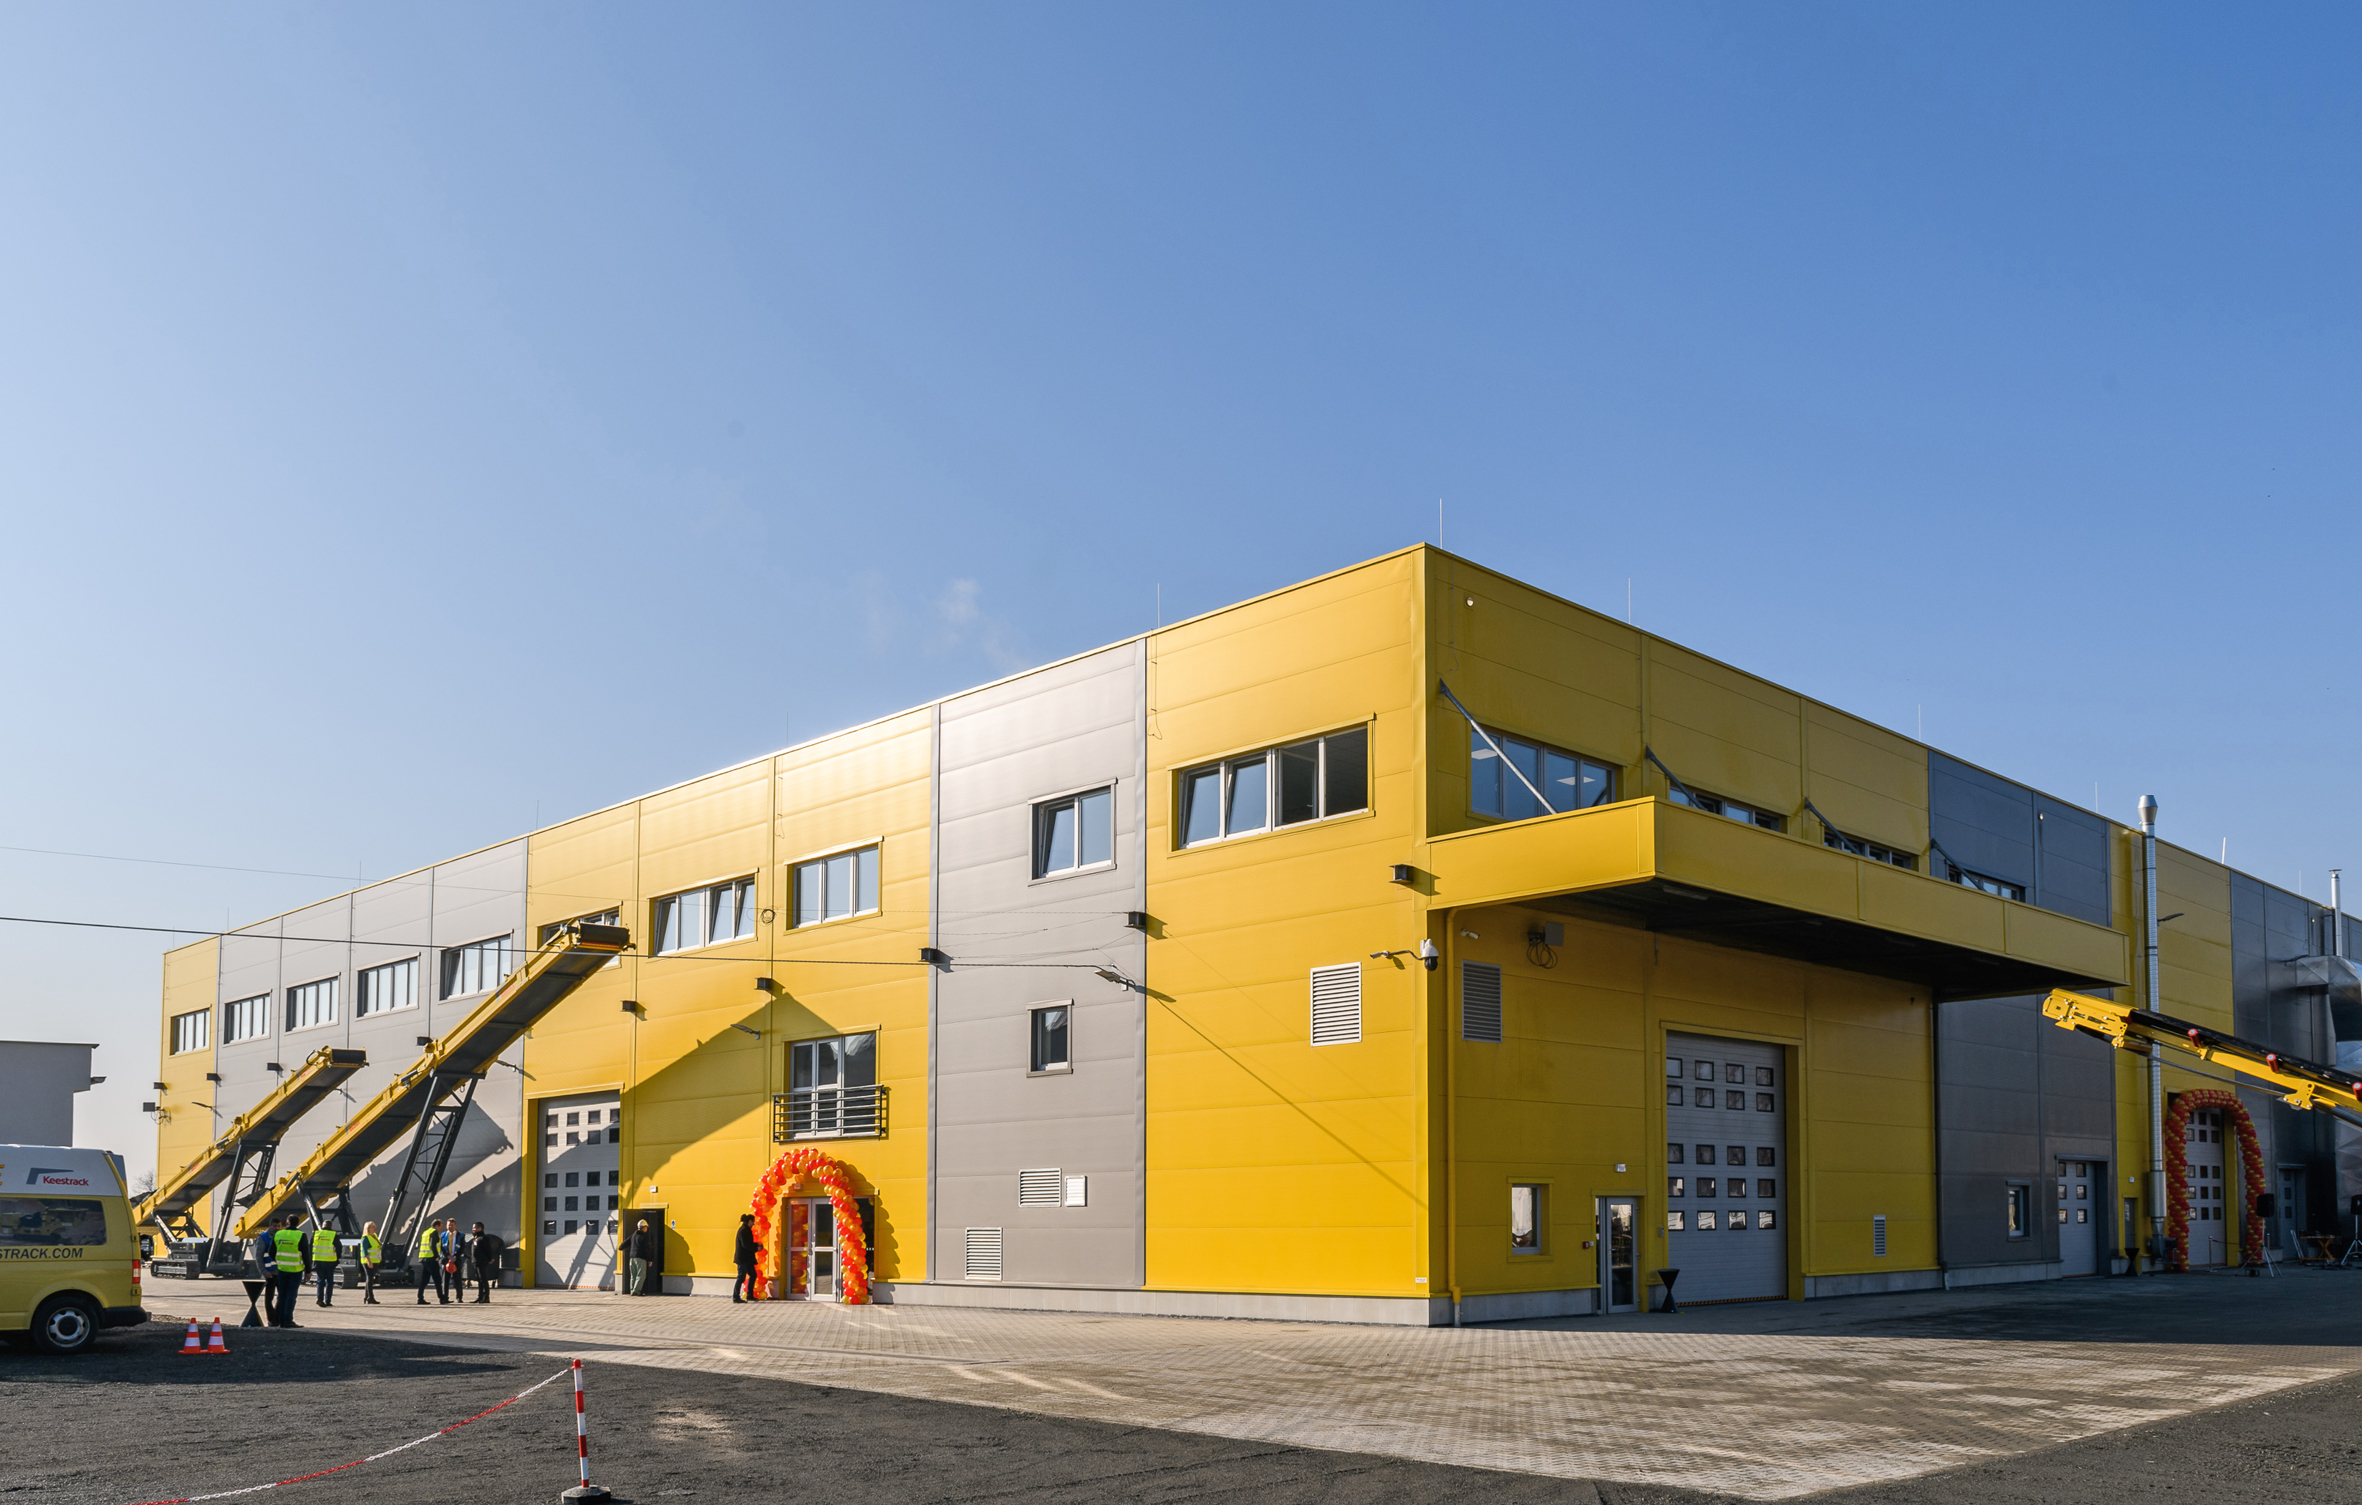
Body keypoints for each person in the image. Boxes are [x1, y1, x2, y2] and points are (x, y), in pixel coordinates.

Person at [268, 1213, 306, 1328]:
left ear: (287, 1223)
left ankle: (279, 1320)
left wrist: (279, 1260)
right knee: (291, 1296)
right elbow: (306, 1254)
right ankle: (288, 1320)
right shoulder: (301, 1235)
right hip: (296, 1270)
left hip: (282, 1269)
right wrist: (308, 1270)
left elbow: (271, 1252)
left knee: (282, 1295)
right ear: (298, 1223)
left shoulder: (279, 1234)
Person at [465, 1221, 504, 1303]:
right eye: (473, 1228)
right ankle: (480, 1297)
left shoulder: (483, 1238)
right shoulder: (476, 1238)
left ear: (480, 1228)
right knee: (479, 1280)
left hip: (482, 1261)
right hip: (476, 1261)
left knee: (483, 1279)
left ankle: (486, 1297)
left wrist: (490, 1258)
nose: (473, 1229)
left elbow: (488, 1250)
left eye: (475, 1227)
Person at [414, 1220, 449, 1305]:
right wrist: (437, 1256)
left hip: (424, 1258)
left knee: (424, 1280)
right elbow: (433, 1245)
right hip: (431, 1259)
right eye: (441, 1226)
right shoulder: (434, 1232)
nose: (441, 1228)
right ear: (437, 1226)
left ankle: (420, 1298)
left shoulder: (425, 1232)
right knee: (437, 1280)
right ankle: (442, 1298)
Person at [310, 1219, 341, 1307]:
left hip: (318, 1261)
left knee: (320, 1280)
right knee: (330, 1282)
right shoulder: (333, 1234)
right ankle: (328, 1300)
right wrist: (337, 1259)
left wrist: (311, 1260)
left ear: (323, 1226)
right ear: (331, 1226)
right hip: (330, 1261)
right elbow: (339, 1248)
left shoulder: (316, 1234)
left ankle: (319, 1299)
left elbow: (310, 1247)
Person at [732, 1213, 760, 1302]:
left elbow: (748, 1244)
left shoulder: (746, 1230)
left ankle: (750, 1295)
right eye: (753, 1222)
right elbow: (746, 1245)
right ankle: (736, 1296)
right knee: (741, 1277)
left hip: (747, 1258)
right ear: (749, 1221)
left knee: (753, 1274)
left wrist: (756, 1245)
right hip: (743, 1258)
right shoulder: (744, 1231)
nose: (753, 1224)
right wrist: (755, 1248)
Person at [627, 1218, 654, 1296]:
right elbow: (647, 1248)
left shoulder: (633, 1236)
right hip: (641, 1258)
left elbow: (624, 1244)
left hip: (632, 1258)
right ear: (644, 1228)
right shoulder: (644, 1237)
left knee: (633, 1275)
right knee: (641, 1275)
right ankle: (636, 1291)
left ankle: (632, 1289)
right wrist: (650, 1259)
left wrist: (622, 1248)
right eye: (646, 1228)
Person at [358, 1221, 383, 1304]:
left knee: (370, 1279)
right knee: (370, 1279)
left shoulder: (374, 1236)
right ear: (368, 1229)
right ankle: (370, 1297)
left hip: (375, 1261)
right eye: (373, 1227)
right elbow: (365, 1251)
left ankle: (367, 1297)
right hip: (368, 1261)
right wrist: (369, 1261)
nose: (375, 1228)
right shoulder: (366, 1238)